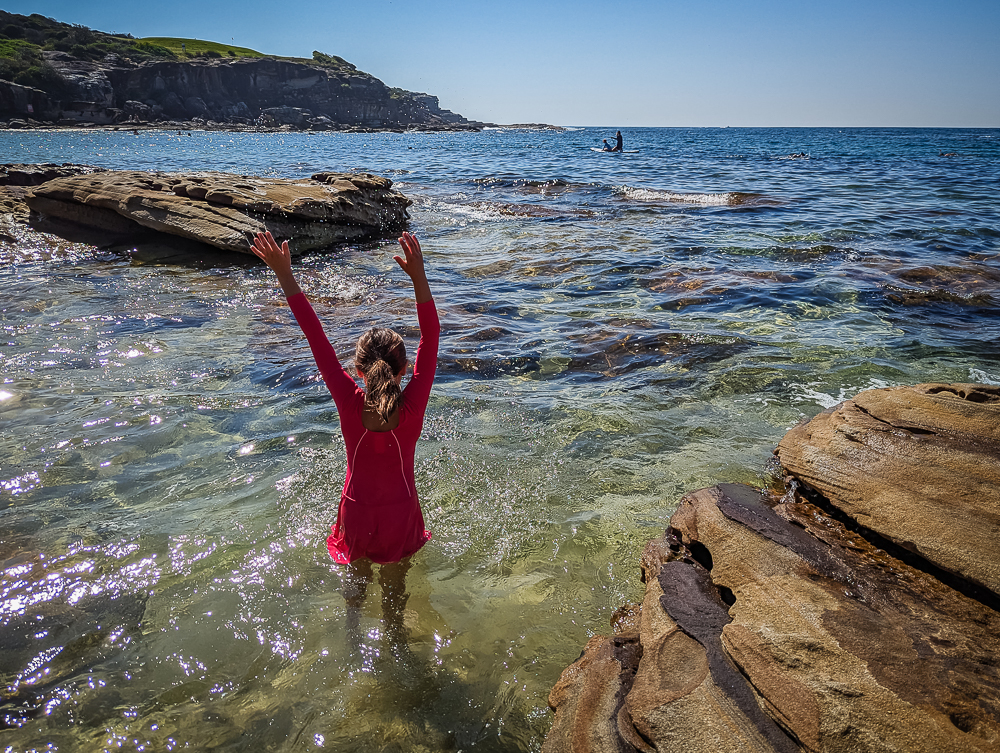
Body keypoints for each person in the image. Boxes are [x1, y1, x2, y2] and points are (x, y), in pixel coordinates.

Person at [250, 229, 439, 646]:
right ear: (403, 371)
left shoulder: (348, 400)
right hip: (400, 511)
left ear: (357, 371)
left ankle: (352, 638)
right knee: (395, 591)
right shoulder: (412, 407)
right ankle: (394, 640)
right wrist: (419, 277)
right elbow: (431, 335)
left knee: (355, 582)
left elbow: (314, 336)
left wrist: (285, 275)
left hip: (356, 511)